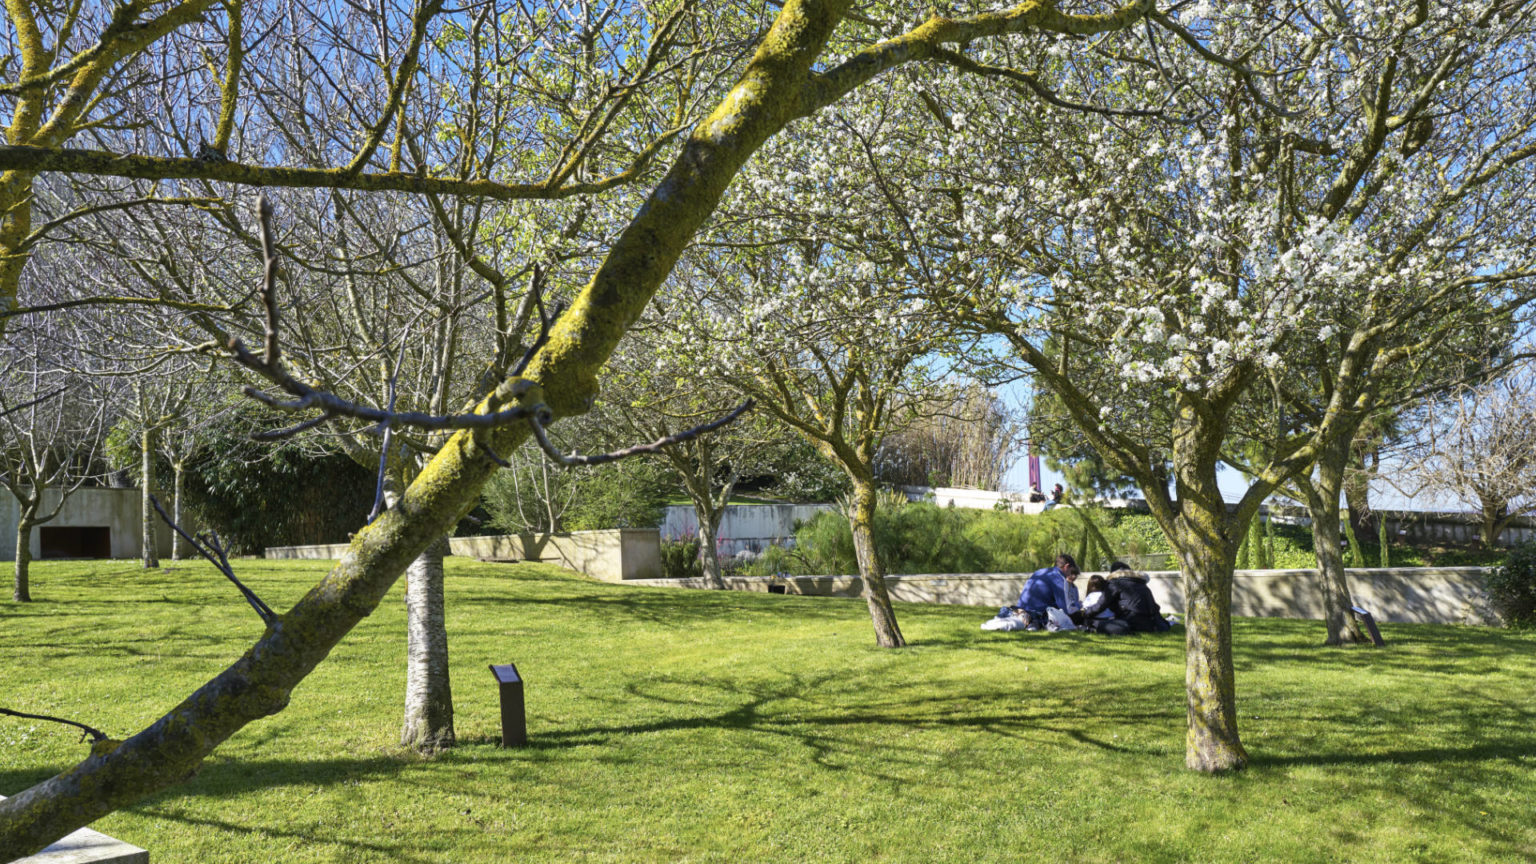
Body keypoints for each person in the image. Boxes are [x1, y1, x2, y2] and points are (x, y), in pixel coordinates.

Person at [1087, 561, 1170, 633]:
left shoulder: (1115, 583)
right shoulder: (1141, 583)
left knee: (1097, 622)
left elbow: (1101, 604)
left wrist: (1085, 613)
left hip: (1131, 621)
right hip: (1150, 623)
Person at [1015, 553, 1077, 631]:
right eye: (1070, 571)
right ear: (1066, 566)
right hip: (1037, 612)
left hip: (1021, 609)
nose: (1069, 574)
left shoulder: (1040, 571)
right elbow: (1064, 608)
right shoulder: (1059, 578)